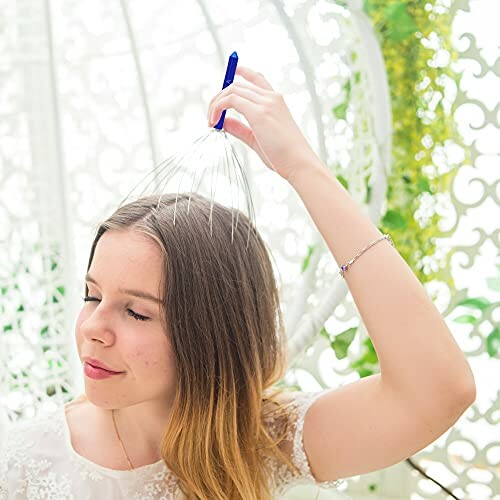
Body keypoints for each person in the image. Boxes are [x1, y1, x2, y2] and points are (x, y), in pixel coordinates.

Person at [0, 66, 475, 500]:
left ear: (211, 332)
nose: (92, 328)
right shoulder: (22, 464)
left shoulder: (265, 441)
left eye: (136, 311)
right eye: (93, 294)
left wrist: (301, 168)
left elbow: (438, 389)